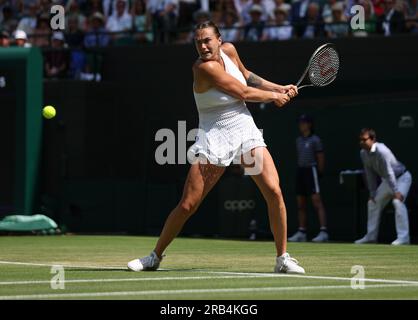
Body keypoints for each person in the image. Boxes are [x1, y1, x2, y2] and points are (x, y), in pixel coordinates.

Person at [127, 20, 305, 274]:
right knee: (188, 204)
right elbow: (242, 92)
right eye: (198, 41)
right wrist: (275, 97)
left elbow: (246, 75)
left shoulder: (230, 51)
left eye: (207, 40)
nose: (202, 45)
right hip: (214, 136)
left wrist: (278, 87)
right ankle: (154, 256)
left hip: (244, 130)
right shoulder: (202, 68)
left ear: (219, 40)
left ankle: (282, 258)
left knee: (274, 191)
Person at [355, 128, 412, 245]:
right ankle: (371, 236)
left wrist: (396, 191)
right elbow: (369, 173)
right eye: (360, 140)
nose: (361, 142)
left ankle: (404, 237)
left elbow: (389, 172)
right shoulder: (363, 153)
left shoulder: (382, 151)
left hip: (402, 178)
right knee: (372, 202)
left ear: (373, 139)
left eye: (364, 140)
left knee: (397, 202)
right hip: (388, 181)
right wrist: (372, 193)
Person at [288, 114, 329, 243]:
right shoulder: (298, 140)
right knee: (301, 203)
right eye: (300, 123)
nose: (301, 125)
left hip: (312, 171)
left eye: (304, 123)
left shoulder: (315, 140)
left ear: (309, 124)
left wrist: (319, 172)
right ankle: (302, 232)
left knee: (317, 201)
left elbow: (320, 157)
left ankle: (323, 232)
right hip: (301, 171)